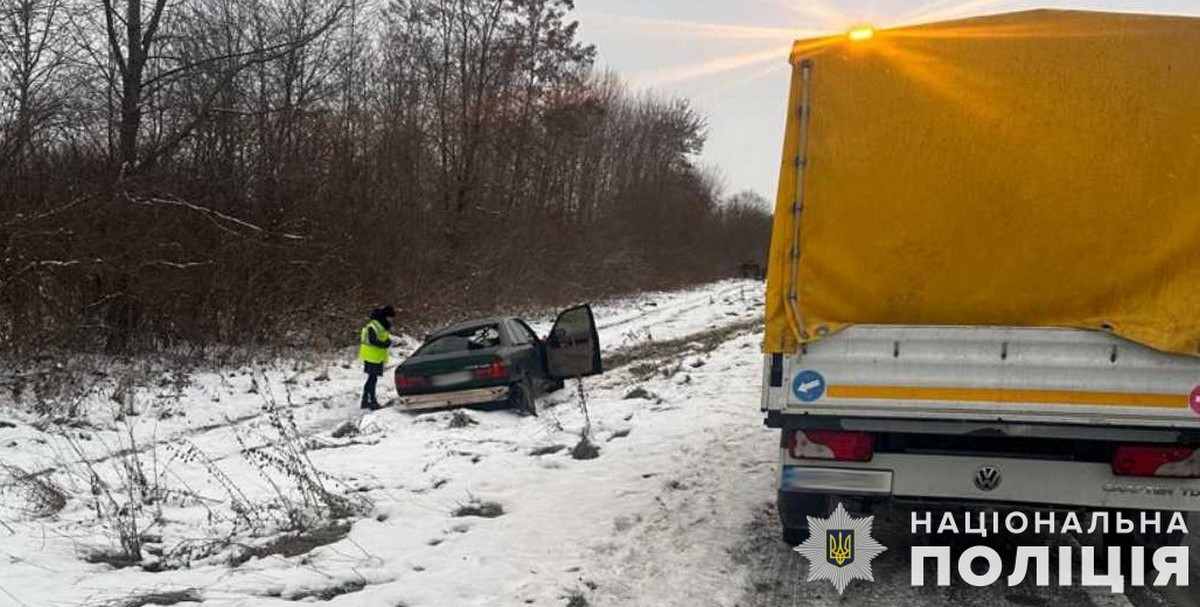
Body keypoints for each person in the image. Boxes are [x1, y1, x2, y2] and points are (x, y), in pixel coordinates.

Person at [359, 305, 397, 410]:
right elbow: (373, 340)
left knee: (372, 379)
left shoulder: (381, 325)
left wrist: (387, 342)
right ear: (385, 316)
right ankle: (371, 401)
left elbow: (382, 338)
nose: (391, 320)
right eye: (390, 317)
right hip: (371, 356)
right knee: (372, 379)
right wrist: (385, 344)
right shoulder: (374, 325)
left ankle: (365, 400)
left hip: (376, 356)